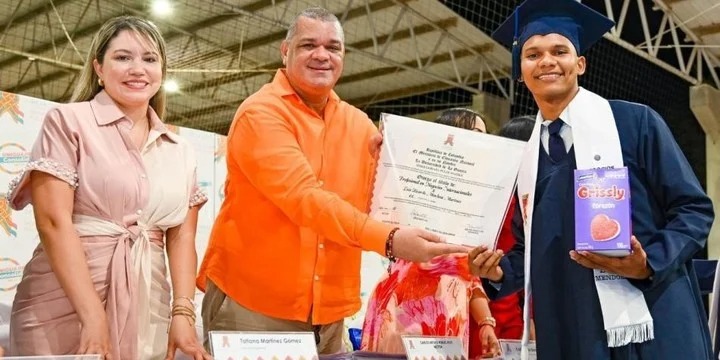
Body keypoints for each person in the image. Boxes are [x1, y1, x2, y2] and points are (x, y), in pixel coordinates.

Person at [196, 7, 468, 355]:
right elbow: (304, 198)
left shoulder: (360, 127)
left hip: (329, 314)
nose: (322, 55)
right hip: (255, 307)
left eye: (333, 47)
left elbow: (397, 199)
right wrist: (390, 240)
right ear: (285, 51)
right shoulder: (260, 113)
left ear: (343, 55)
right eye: (309, 45)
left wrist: (461, 246)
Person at [468, 0, 715, 359]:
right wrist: (495, 271)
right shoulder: (524, 160)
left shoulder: (634, 124)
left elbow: (694, 210)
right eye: (532, 54)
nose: (547, 61)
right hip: (572, 329)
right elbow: (529, 249)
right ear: (520, 71)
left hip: (650, 319)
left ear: (580, 63)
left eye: (559, 51)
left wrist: (649, 263)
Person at [5, 16, 210, 360]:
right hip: (63, 305)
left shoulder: (181, 150)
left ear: (162, 72)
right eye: (123, 57)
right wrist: (93, 316)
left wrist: (183, 313)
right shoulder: (68, 122)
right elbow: (53, 222)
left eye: (149, 59)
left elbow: (181, 237)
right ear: (98, 67)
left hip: (150, 308)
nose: (137, 69)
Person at [360, 108, 500, 359]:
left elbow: (469, 274)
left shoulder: (477, 203)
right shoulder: (409, 185)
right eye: (475, 134)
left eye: (485, 136)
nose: (483, 143)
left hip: (450, 307)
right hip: (404, 304)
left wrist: (486, 322)